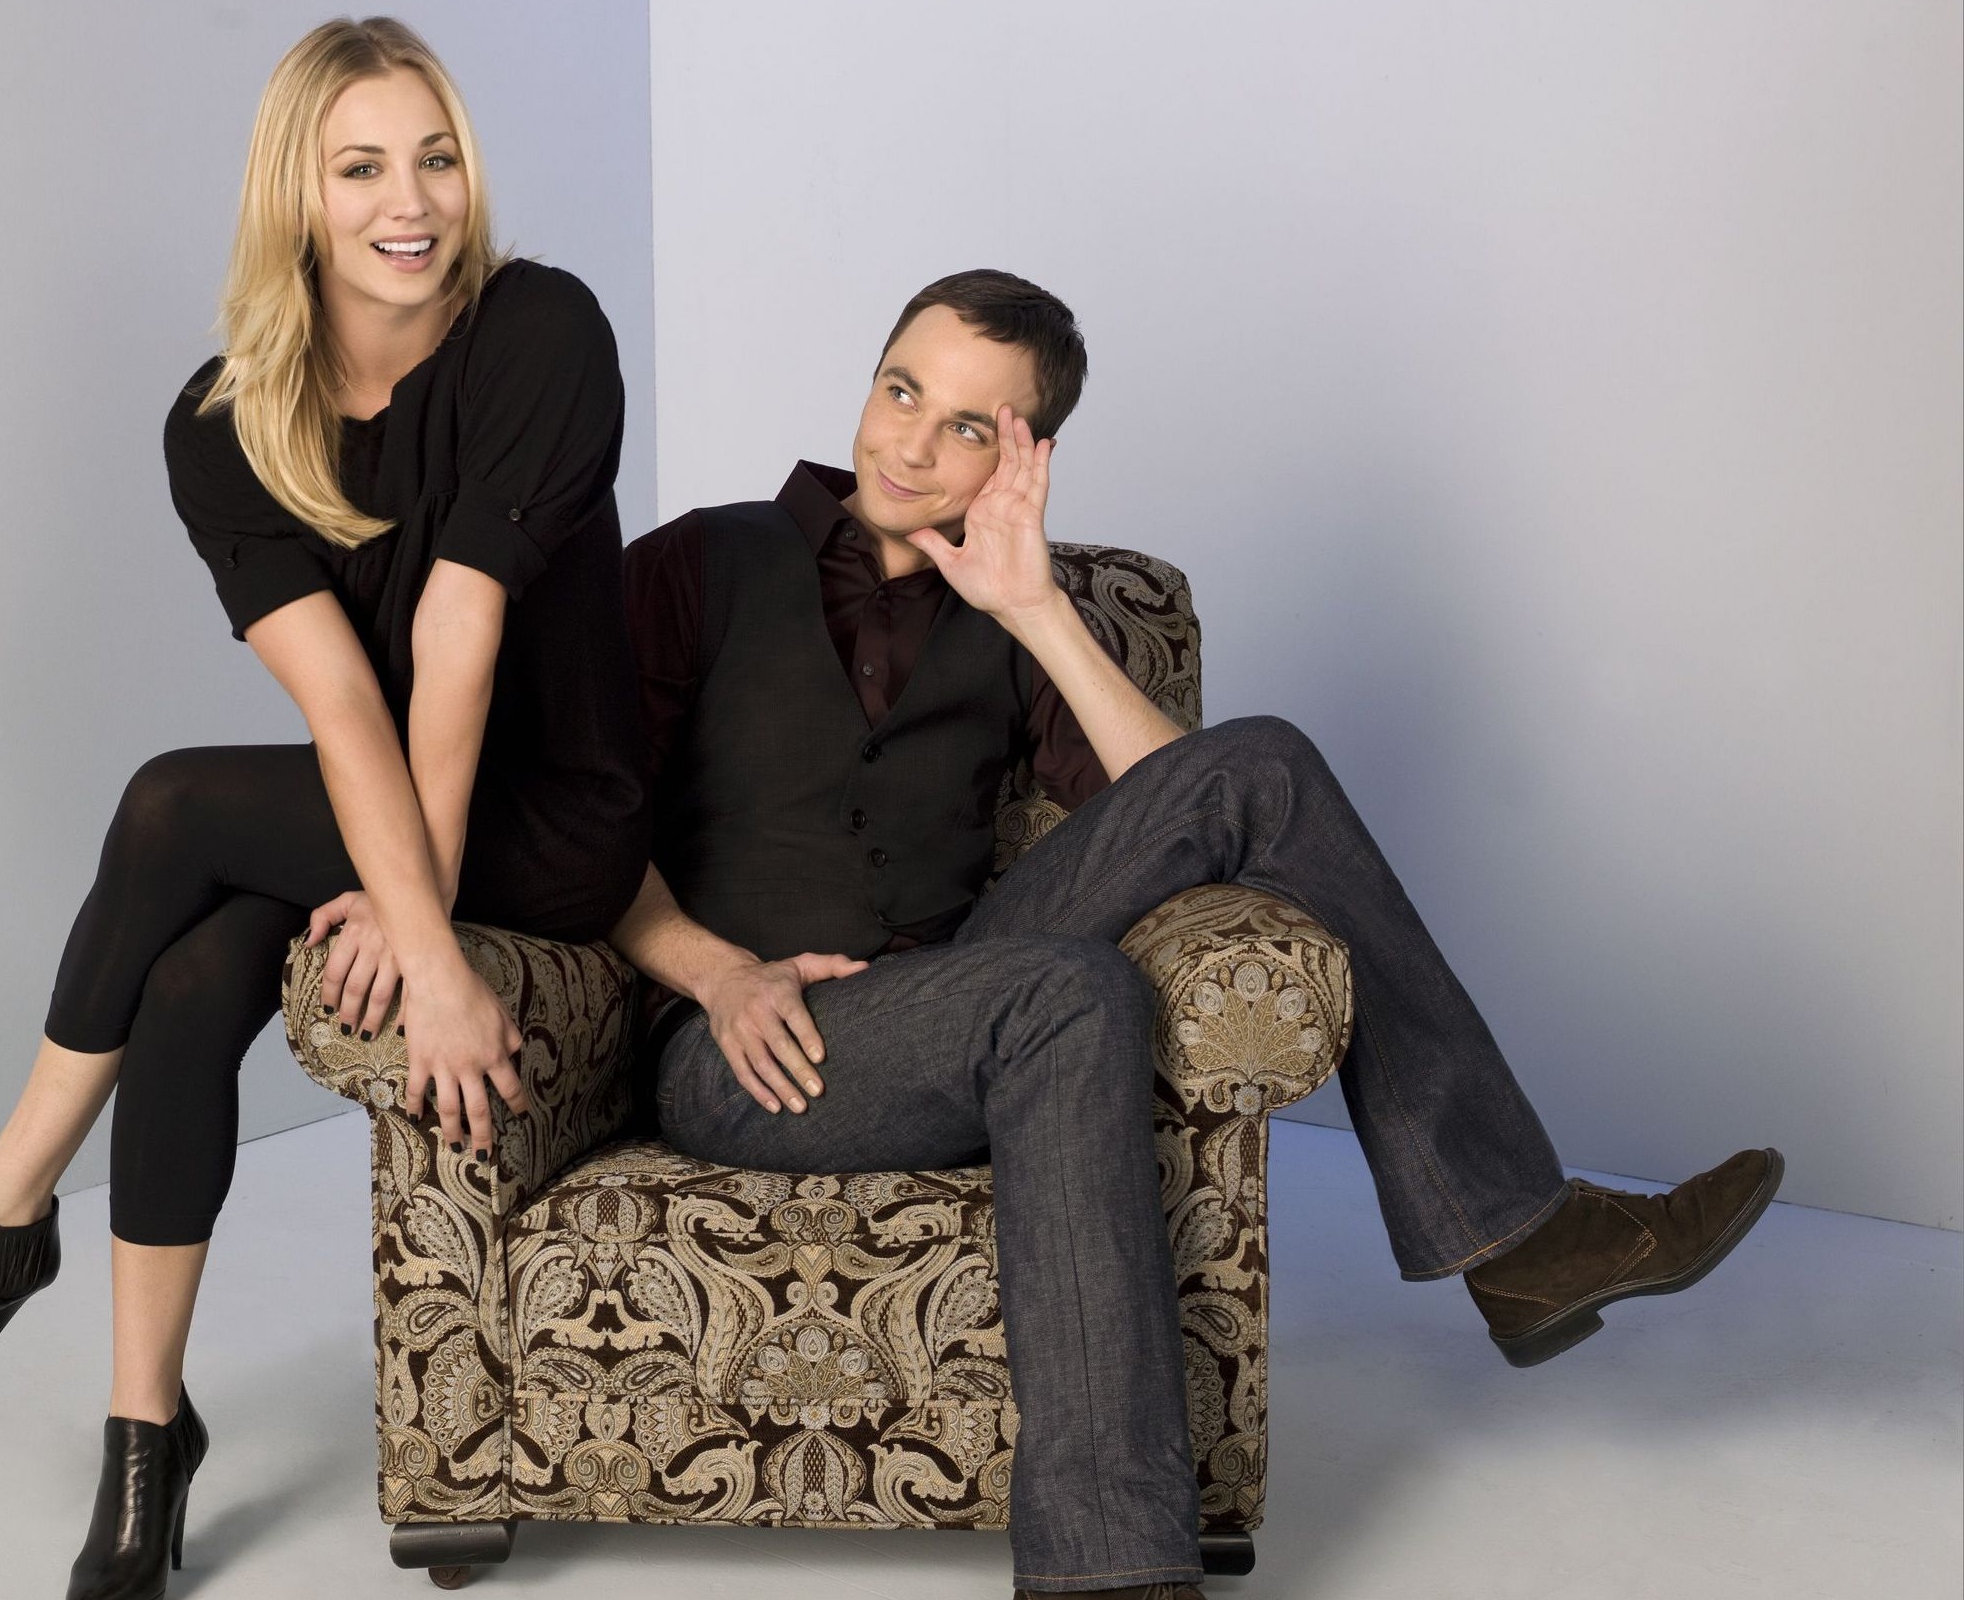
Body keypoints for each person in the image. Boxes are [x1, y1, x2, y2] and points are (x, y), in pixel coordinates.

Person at [608, 268, 1782, 1600]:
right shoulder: (694, 565)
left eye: (967, 427)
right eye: (901, 393)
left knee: (1255, 766)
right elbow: (576, 821)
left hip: (953, 995)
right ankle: (1114, 1566)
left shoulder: (1009, 611)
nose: (912, 445)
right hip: (751, 1048)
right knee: (1073, 991)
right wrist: (716, 972)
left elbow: (1190, 807)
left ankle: (1519, 1239)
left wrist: (1034, 608)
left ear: (1022, 456)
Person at [0, 18, 650, 1599]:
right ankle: (145, 1442)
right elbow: (344, 705)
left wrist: (424, 933)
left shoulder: (543, 329)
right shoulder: (226, 418)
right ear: (295, 197)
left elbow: (457, 640)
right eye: (362, 168)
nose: (413, 202)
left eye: (438, 159)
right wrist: (404, 892)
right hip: (386, 797)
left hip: (555, 815)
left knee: (171, 806)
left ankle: (2, 1207)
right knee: (187, 987)